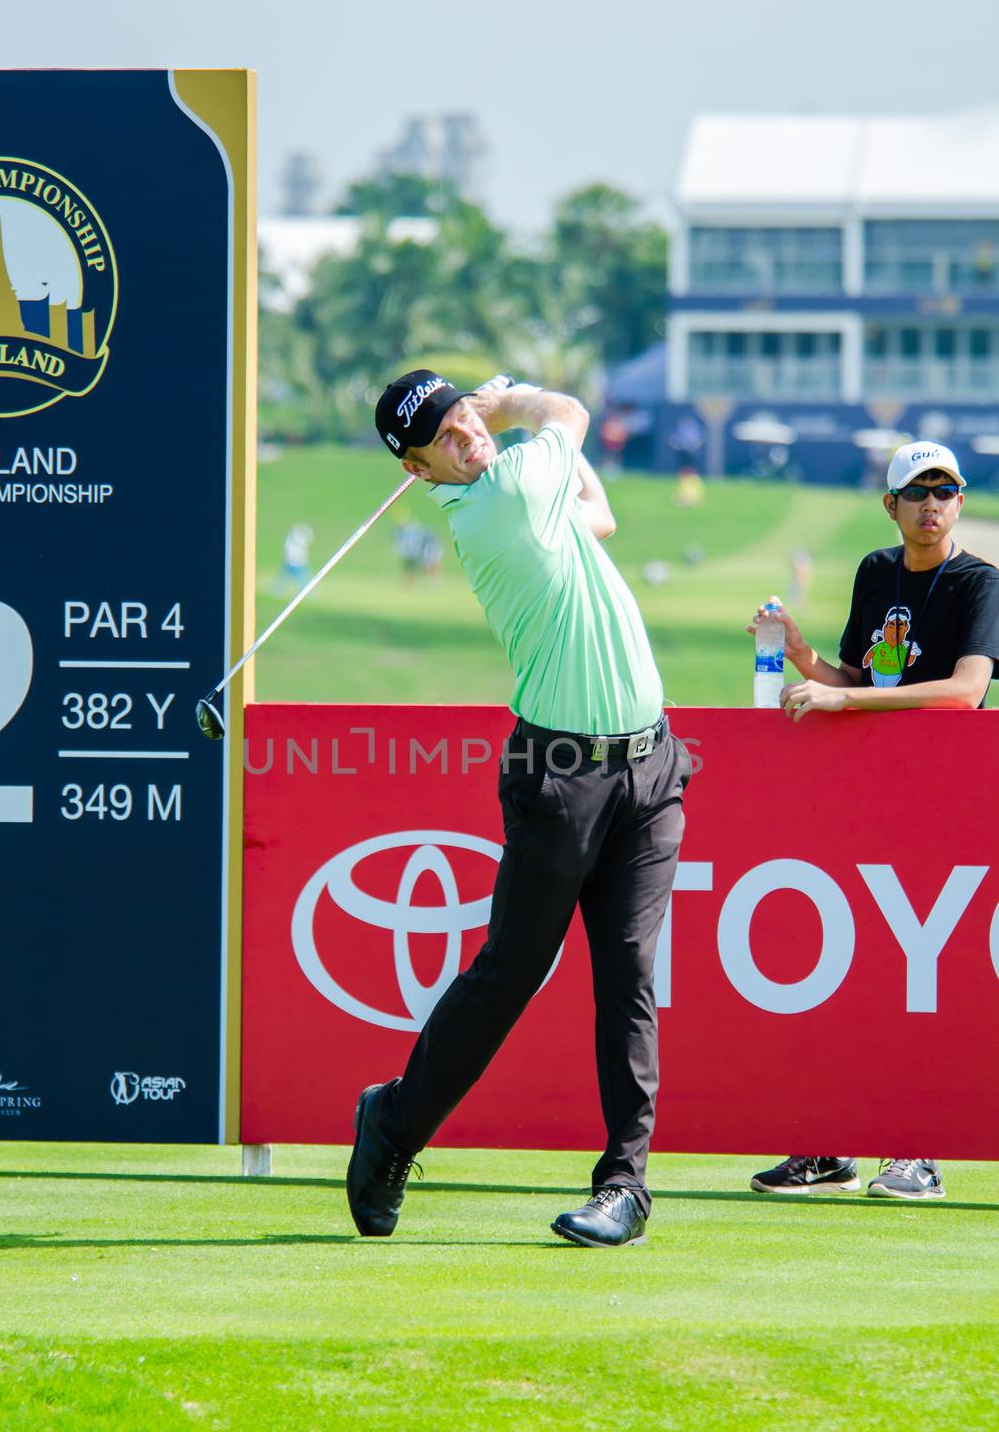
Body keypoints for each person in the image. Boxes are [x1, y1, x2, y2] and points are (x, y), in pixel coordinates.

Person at [347, 368, 693, 1247]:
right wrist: (509, 400)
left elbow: (599, 517)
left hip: (650, 768)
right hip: (560, 778)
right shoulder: (498, 499)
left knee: (628, 975)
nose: (466, 432)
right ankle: (394, 1124)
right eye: (444, 434)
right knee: (511, 975)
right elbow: (569, 414)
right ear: (420, 472)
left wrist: (503, 419)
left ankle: (625, 1188)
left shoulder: (522, 492)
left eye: (462, 411)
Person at [746, 439, 999, 1200]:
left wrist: (843, 699)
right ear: (889, 505)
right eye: (917, 493)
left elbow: (963, 691)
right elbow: (860, 676)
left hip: (948, 808)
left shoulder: (979, 583)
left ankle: (918, 1149)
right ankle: (832, 1145)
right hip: (871, 801)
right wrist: (802, 656)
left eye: (946, 492)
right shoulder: (876, 572)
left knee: (925, 982)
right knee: (855, 974)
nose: (933, 506)